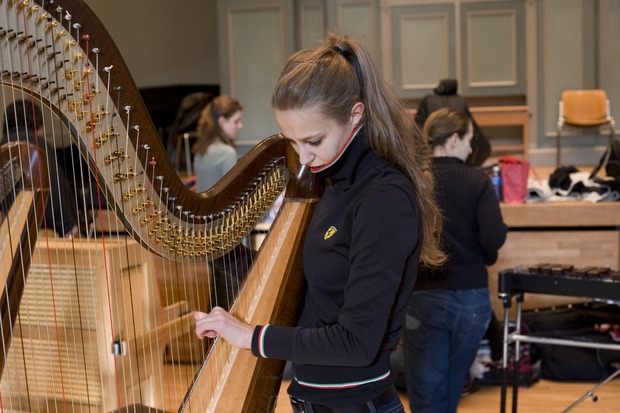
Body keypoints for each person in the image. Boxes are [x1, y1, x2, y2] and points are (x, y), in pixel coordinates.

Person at [194, 33, 444, 412]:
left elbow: (356, 342)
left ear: (355, 115)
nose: (304, 158)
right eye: (292, 143)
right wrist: (229, 297)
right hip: (314, 402)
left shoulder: (383, 198)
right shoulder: (329, 185)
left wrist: (251, 336)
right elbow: (311, 300)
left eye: (313, 140)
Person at [403, 107, 507, 413]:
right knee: (453, 387)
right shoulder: (478, 181)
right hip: (471, 302)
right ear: (453, 140)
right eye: (469, 140)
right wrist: (484, 256)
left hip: (424, 297)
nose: (472, 148)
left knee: (426, 395)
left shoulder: (414, 182)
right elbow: (493, 237)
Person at [2, 99, 79, 238]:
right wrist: (67, 226)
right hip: (41, 236)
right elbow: (54, 189)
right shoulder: (37, 146)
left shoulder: (3, 148)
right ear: (37, 124)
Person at [414, 79, 491, 167]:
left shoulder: (428, 102)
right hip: (463, 165)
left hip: (430, 164)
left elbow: (415, 138)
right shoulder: (460, 101)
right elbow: (483, 148)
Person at [192, 95, 243, 192]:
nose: (240, 125)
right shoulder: (226, 153)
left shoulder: (201, 149)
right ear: (222, 121)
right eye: (236, 121)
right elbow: (234, 193)